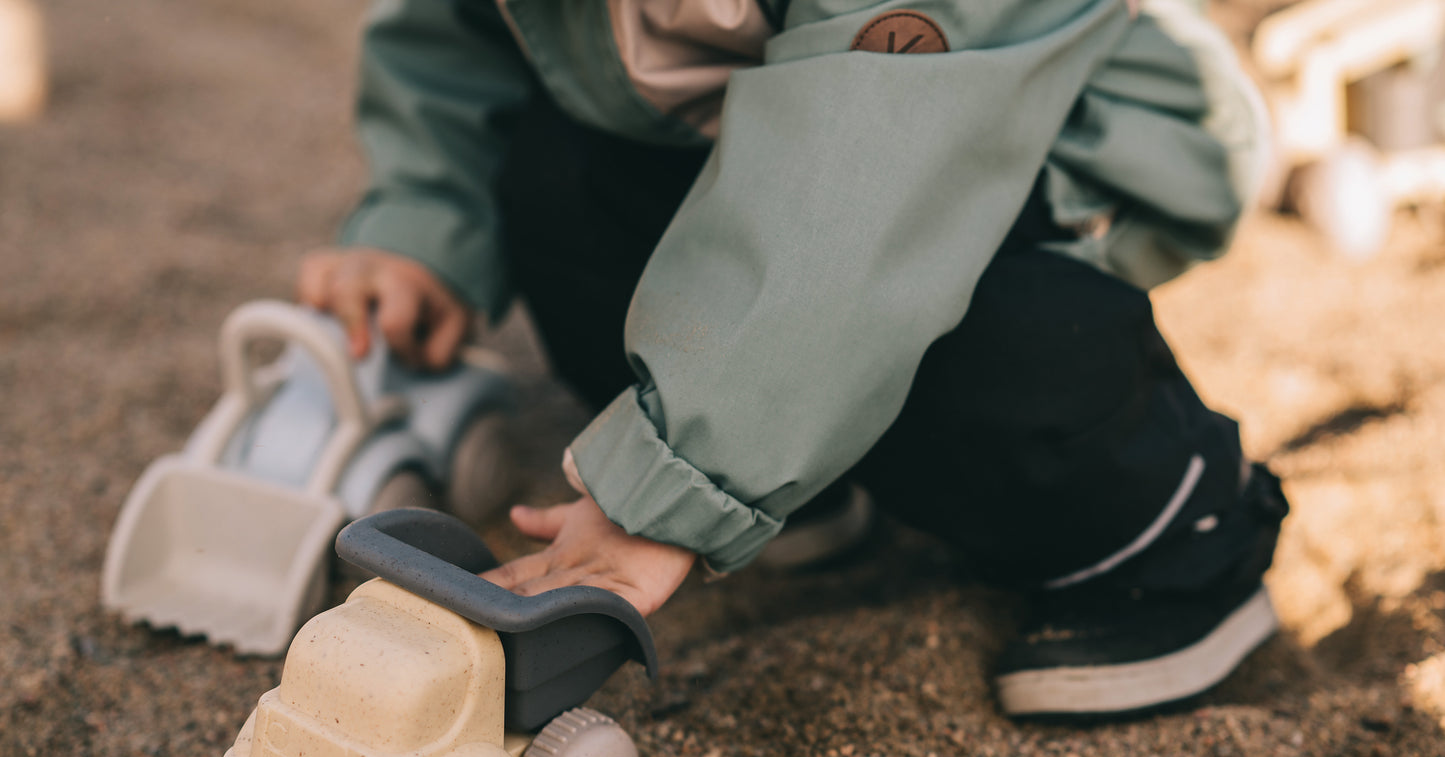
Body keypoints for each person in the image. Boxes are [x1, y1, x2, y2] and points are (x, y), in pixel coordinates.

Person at [298, 0, 1289, 718]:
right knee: (558, 173)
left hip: (1016, 139)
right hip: (767, 138)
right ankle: (793, 484)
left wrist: (676, 483)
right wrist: (421, 221)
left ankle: (1167, 533)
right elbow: (469, 33)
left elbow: (862, 190)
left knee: (974, 343)